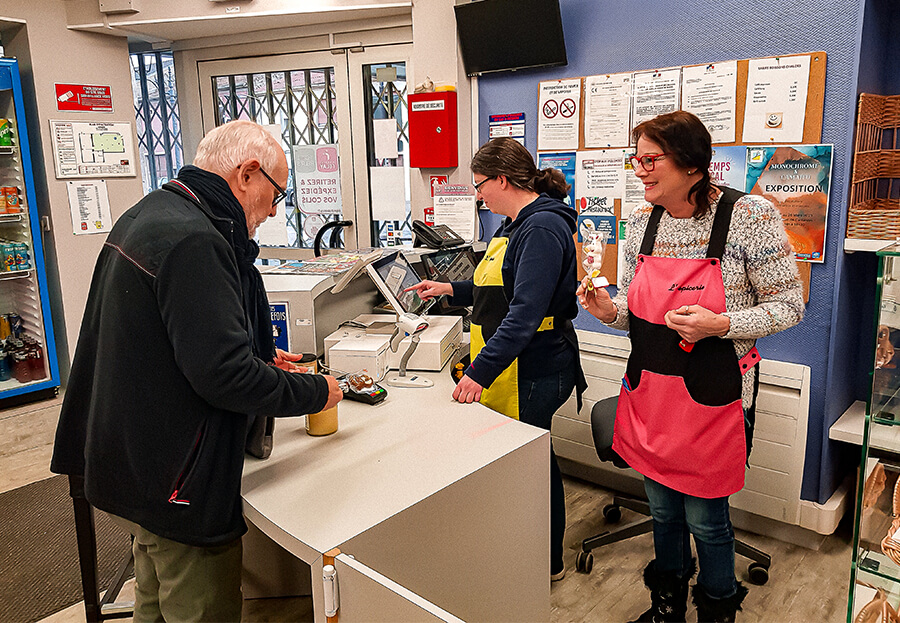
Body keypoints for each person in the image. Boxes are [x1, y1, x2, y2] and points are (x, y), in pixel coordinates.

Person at [50, 120, 343, 622]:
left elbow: (168, 342)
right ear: (247, 174)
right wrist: (317, 391)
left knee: (155, 603)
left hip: (137, 464)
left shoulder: (152, 213)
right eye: (276, 194)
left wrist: (257, 358)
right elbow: (225, 378)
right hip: (178, 480)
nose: (274, 211)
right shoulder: (196, 241)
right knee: (197, 605)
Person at [577, 111, 803, 623]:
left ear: (693, 165)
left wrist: (720, 324)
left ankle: (717, 609)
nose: (640, 170)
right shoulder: (642, 221)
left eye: (650, 159)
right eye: (636, 159)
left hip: (715, 393)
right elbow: (640, 321)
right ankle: (666, 606)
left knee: (706, 520)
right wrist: (609, 312)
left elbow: (791, 306)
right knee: (661, 511)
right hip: (651, 392)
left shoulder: (751, 217)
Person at [407, 137, 587, 582]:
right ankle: (520, 547)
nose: (478, 194)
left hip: (535, 368)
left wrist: (478, 372)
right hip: (516, 363)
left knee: (531, 464)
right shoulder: (514, 224)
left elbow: (525, 313)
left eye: (480, 184)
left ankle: (545, 561)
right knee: (527, 460)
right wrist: (449, 289)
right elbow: (497, 287)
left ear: (503, 179)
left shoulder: (541, 228)